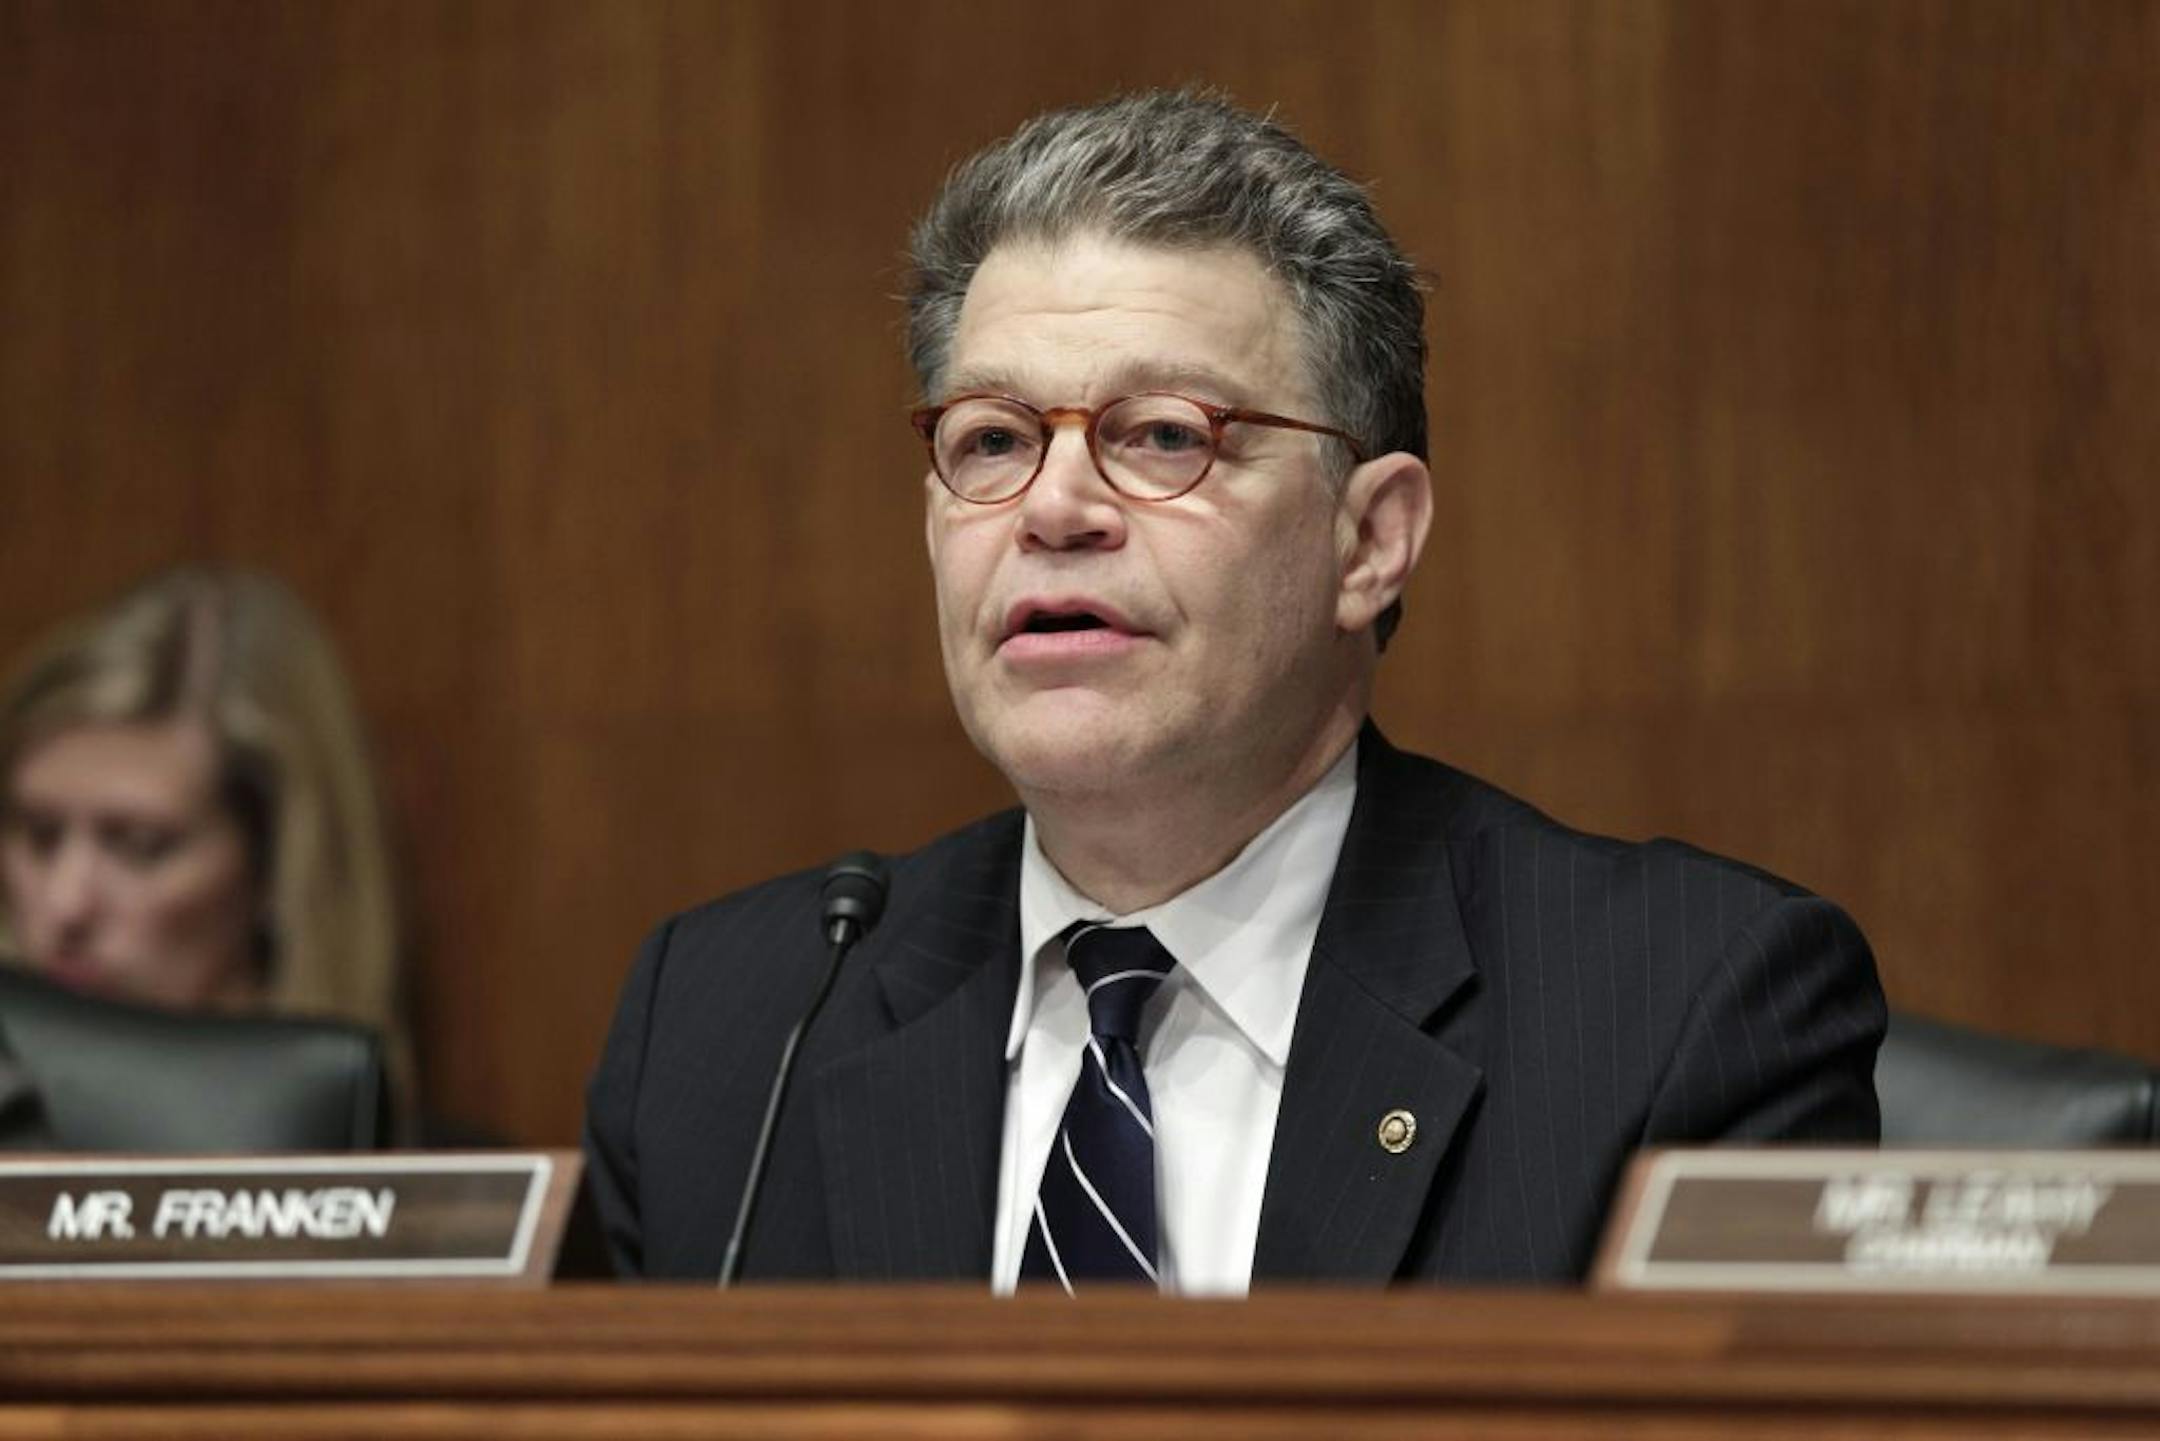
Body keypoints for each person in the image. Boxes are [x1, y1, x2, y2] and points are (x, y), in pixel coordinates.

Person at [584, 89, 1886, 1290]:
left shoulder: (1676, 1015)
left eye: (1164, 434)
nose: (1054, 507)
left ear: (1369, 541)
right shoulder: (729, 1031)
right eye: (992, 439)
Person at [0, 567, 416, 1134]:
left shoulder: (444, 1177)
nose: (65, 905)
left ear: (273, 868)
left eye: (142, 848)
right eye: (40, 836)